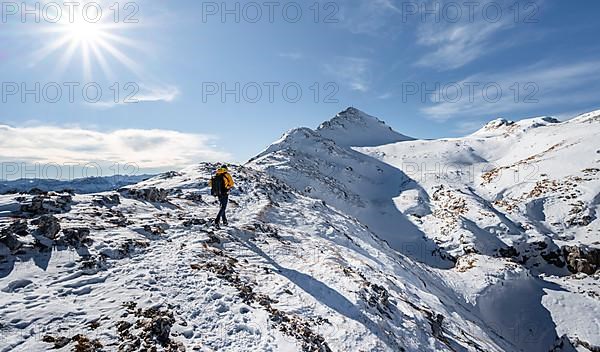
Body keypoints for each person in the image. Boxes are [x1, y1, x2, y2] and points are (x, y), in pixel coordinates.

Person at [210, 165, 234, 229]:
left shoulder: (216, 174)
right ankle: (217, 221)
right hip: (225, 193)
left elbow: (210, 183)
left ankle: (225, 221)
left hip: (218, 193)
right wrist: (228, 187)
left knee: (222, 207)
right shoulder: (226, 174)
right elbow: (231, 184)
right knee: (223, 207)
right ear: (226, 169)